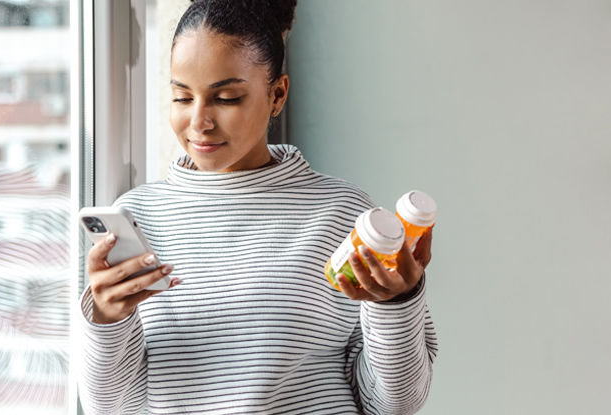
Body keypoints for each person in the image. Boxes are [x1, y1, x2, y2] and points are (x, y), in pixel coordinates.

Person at [78, 0, 438, 414]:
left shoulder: (341, 214)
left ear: (277, 94)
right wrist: (105, 321)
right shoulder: (136, 218)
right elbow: (110, 408)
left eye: (226, 98)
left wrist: (395, 304)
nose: (199, 121)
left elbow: (395, 405)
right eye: (181, 97)